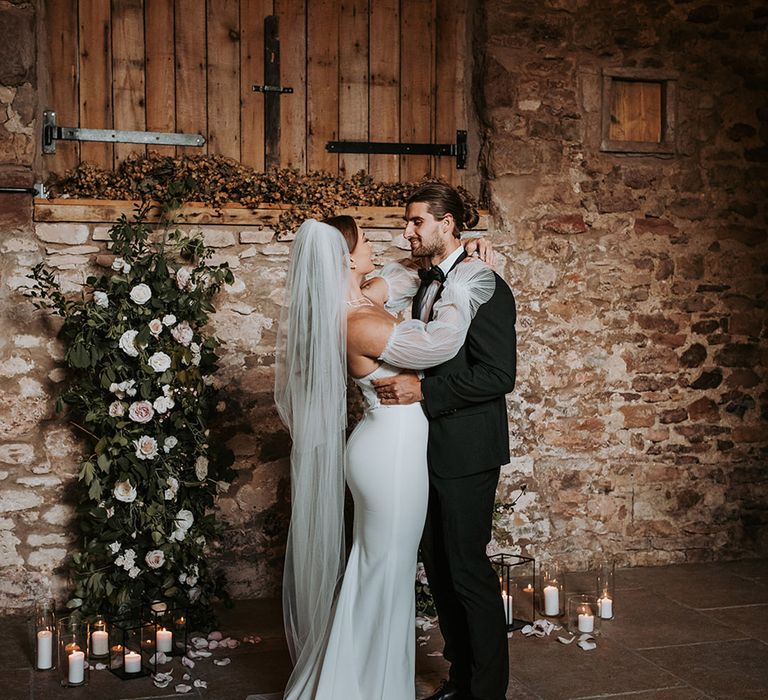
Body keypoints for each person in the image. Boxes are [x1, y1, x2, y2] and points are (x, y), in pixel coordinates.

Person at [273, 213, 496, 700]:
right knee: (385, 573)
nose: (380, 244)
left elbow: (397, 275)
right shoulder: (359, 322)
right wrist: (467, 279)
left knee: (379, 569)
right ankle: (359, 689)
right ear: (348, 257)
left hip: (382, 445)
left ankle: (365, 681)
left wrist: (457, 255)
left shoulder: (357, 301)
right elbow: (441, 343)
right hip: (391, 453)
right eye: (367, 240)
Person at [373, 182, 517, 700]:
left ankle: (487, 691)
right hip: (423, 449)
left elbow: (499, 374)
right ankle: (460, 679)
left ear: (448, 224)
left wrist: (423, 390)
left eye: (416, 222)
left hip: (468, 450)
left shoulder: (484, 285)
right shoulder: (421, 279)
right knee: (436, 566)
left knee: (466, 567)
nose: (407, 231)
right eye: (407, 222)